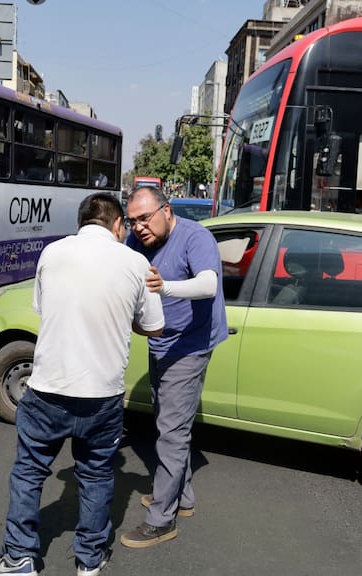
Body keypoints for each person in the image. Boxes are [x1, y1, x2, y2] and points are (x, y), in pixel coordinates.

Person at [0, 193, 165, 576]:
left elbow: (43, 307)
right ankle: (90, 560)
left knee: (29, 472)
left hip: (48, 389)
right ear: (117, 224)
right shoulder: (136, 263)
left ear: (81, 223)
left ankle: (18, 558)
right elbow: (155, 327)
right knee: (97, 476)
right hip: (102, 396)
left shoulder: (52, 253)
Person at [120, 186, 227, 548]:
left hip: (191, 346)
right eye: (132, 221)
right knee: (170, 423)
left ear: (166, 210)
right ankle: (183, 497)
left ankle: (161, 520)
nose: (139, 227)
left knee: (171, 431)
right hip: (161, 342)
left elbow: (208, 284)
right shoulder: (136, 243)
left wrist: (164, 287)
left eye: (145, 218)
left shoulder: (196, 237)